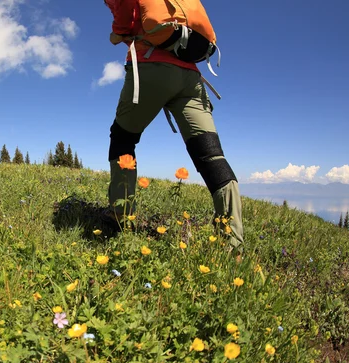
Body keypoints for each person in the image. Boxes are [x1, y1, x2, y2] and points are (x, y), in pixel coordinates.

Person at [105, 0, 244, 248]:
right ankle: (232, 241)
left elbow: (124, 21)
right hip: (190, 77)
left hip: (151, 66)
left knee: (123, 138)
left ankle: (121, 217)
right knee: (210, 154)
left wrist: (119, 33)